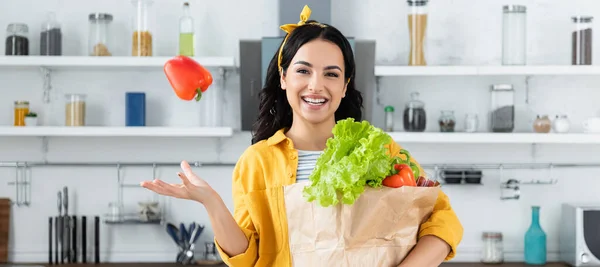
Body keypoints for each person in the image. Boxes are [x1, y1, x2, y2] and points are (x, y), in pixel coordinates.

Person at [141, 5, 463, 267]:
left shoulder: (379, 149)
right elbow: (246, 257)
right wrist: (211, 203)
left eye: (331, 74)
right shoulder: (257, 161)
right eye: (303, 70)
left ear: (345, 85)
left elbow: (443, 219)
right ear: (283, 78)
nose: (316, 86)